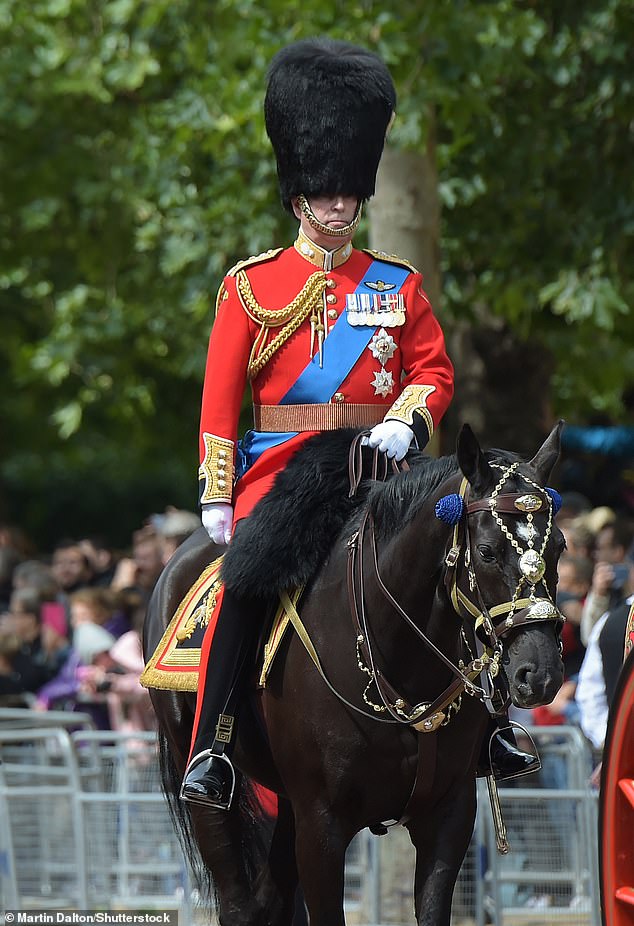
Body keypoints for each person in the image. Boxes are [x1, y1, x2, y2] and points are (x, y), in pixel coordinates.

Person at [180, 38, 530, 809]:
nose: (340, 204)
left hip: (384, 468)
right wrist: (217, 492)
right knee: (242, 585)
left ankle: (494, 727)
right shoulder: (251, 287)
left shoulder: (395, 284)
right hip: (281, 467)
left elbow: (432, 371)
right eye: (326, 191)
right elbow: (219, 398)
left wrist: (409, 421)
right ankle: (214, 745)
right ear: (299, 192)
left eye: (349, 192)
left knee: (468, 556)